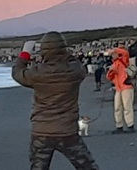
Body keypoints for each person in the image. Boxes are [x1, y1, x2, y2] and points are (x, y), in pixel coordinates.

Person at [12, 32, 99, 170]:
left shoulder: (37, 73)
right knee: (88, 167)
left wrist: (25, 53)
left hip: (41, 130)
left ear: (43, 51)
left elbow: (17, 73)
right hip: (67, 130)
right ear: (63, 49)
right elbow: (78, 65)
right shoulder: (74, 70)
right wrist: (63, 52)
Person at [106, 41, 135, 134]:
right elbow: (109, 77)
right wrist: (110, 71)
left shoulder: (124, 58)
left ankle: (130, 124)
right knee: (117, 107)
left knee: (127, 106)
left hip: (126, 85)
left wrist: (113, 50)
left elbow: (124, 52)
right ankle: (119, 125)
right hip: (118, 87)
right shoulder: (114, 64)